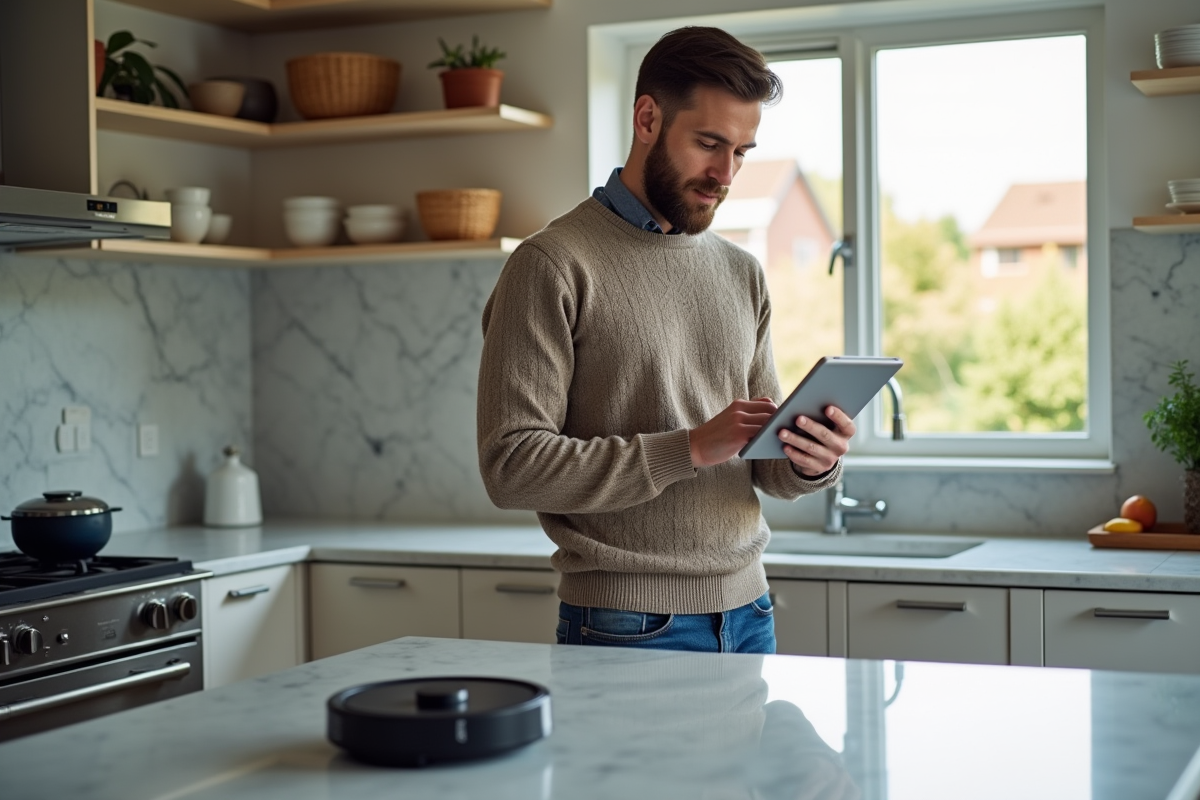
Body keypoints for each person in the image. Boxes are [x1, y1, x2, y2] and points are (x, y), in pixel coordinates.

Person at [476, 26, 856, 654]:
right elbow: (511, 468)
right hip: (625, 622)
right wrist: (688, 448)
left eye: (741, 152)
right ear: (647, 119)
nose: (725, 174)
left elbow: (762, 463)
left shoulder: (741, 272)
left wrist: (811, 459)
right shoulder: (552, 265)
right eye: (709, 144)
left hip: (750, 610)